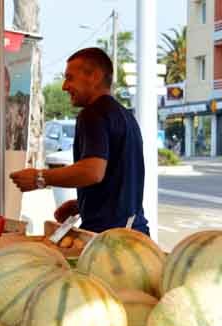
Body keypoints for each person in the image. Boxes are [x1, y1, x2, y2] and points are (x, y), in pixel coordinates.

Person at [10, 47, 149, 235]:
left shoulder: (92, 114)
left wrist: (39, 178)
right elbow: (119, 180)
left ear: (94, 76)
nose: (64, 86)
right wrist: (82, 205)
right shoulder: (124, 116)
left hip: (109, 240)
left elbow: (93, 171)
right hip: (135, 233)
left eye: (70, 78)